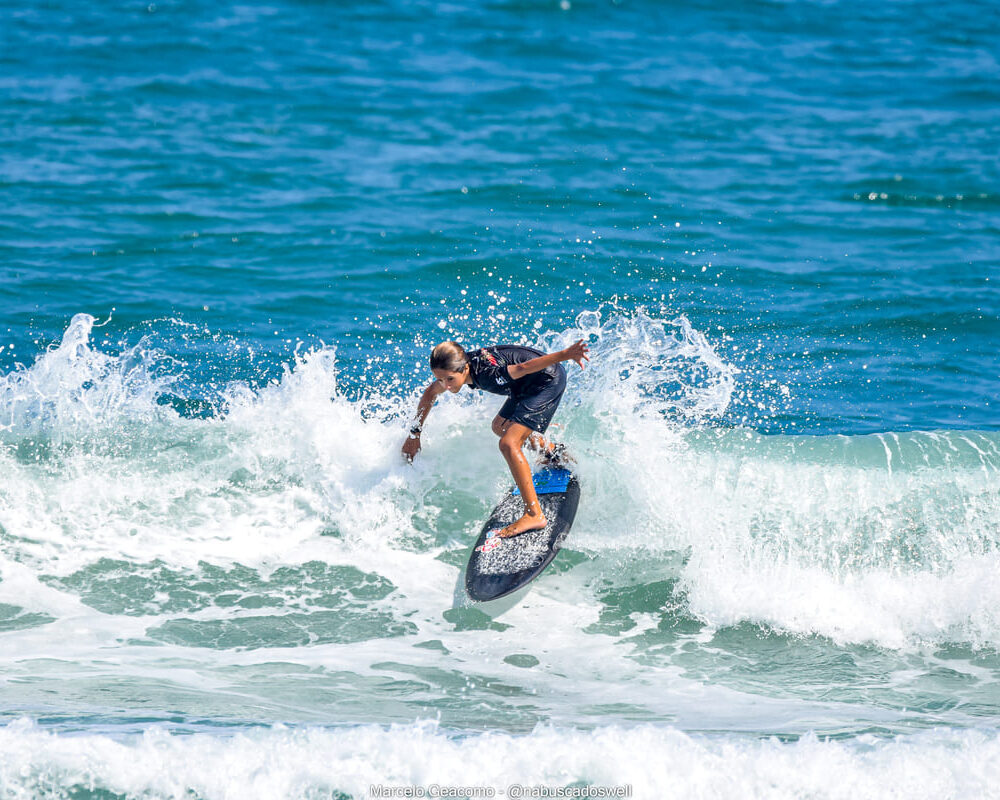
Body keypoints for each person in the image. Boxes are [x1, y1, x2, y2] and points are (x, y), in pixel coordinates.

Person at [402, 339, 589, 538]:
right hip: (525, 384)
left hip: (545, 382)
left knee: (509, 443)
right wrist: (414, 434)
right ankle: (555, 454)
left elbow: (523, 367)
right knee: (500, 426)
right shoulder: (461, 366)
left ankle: (534, 514)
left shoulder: (488, 374)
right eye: (440, 380)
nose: (445, 386)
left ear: (465, 368)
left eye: (449, 379)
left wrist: (565, 354)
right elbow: (430, 393)